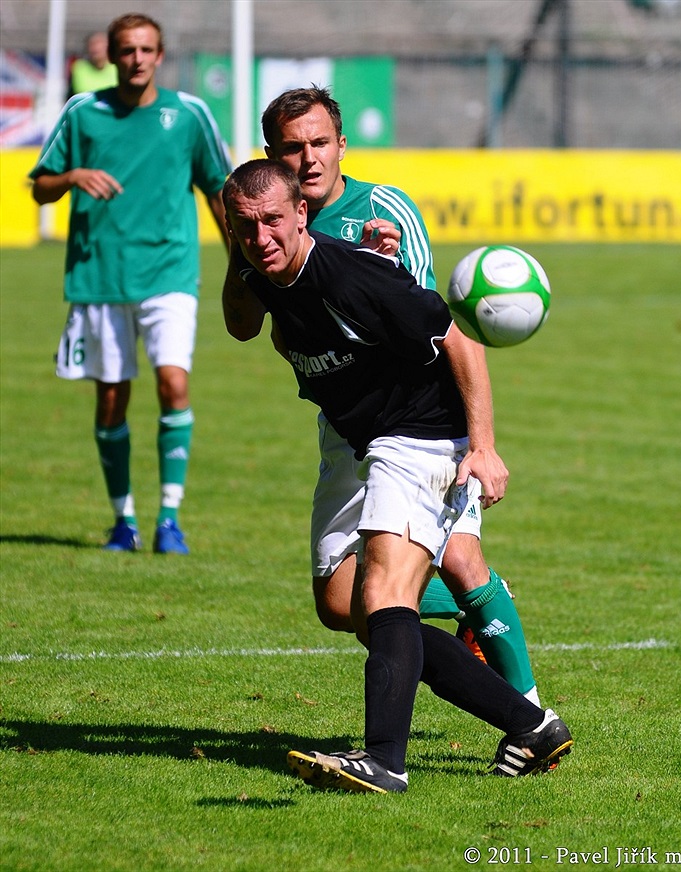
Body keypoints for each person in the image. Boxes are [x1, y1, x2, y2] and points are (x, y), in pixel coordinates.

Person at [222, 159, 573, 793]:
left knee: (385, 591)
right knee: (347, 605)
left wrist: (484, 449)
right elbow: (244, 325)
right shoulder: (260, 266)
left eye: (274, 220)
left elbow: (460, 340)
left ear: (303, 212)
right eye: (246, 227)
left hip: (422, 433)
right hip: (363, 440)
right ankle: (531, 726)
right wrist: (243, 256)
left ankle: (384, 760)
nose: (262, 236)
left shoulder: (353, 277)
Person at [30, 12, 232, 554]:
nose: (136, 59)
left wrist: (242, 262)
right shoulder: (83, 113)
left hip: (169, 274)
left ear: (160, 55)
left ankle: (169, 519)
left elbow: (218, 189)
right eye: (127, 50)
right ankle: (124, 521)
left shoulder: (189, 115)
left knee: (174, 385)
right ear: (113, 57)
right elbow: (41, 189)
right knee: (113, 400)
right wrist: (72, 176)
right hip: (101, 278)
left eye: (146, 49)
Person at [69, 32, 118, 96]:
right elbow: (82, 91)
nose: (96, 48)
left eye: (100, 45)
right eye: (92, 45)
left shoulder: (117, 66)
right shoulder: (79, 67)